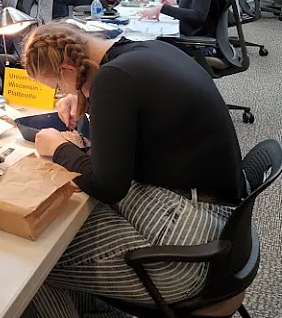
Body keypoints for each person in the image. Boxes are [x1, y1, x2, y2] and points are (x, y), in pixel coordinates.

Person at [21, 23, 244, 318]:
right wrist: (87, 101)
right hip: (222, 224)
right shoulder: (142, 50)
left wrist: (59, 147)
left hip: (190, 247)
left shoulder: (113, 79)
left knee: (38, 264)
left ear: (68, 71)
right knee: (72, 226)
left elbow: (108, 186)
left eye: (58, 87)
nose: (62, 93)